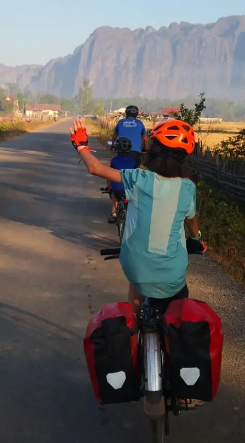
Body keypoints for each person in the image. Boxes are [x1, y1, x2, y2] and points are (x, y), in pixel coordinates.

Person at [70, 118, 205, 310]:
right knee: (178, 309)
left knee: (136, 287)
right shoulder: (187, 187)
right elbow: (191, 221)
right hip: (172, 275)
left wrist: (81, 146)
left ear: (153, 149)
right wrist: (196, 238)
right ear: (184, 157)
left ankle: (133, 323)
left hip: (136, 267)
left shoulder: (138, 178)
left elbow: (95, 168)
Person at [104, 136, 138, 223]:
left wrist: (108, 186)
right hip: (130, 189)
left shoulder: (114, 160)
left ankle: (114, 213)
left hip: (118, 190)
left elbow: (110, 175)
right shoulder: (133, 160)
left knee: (115, 194)